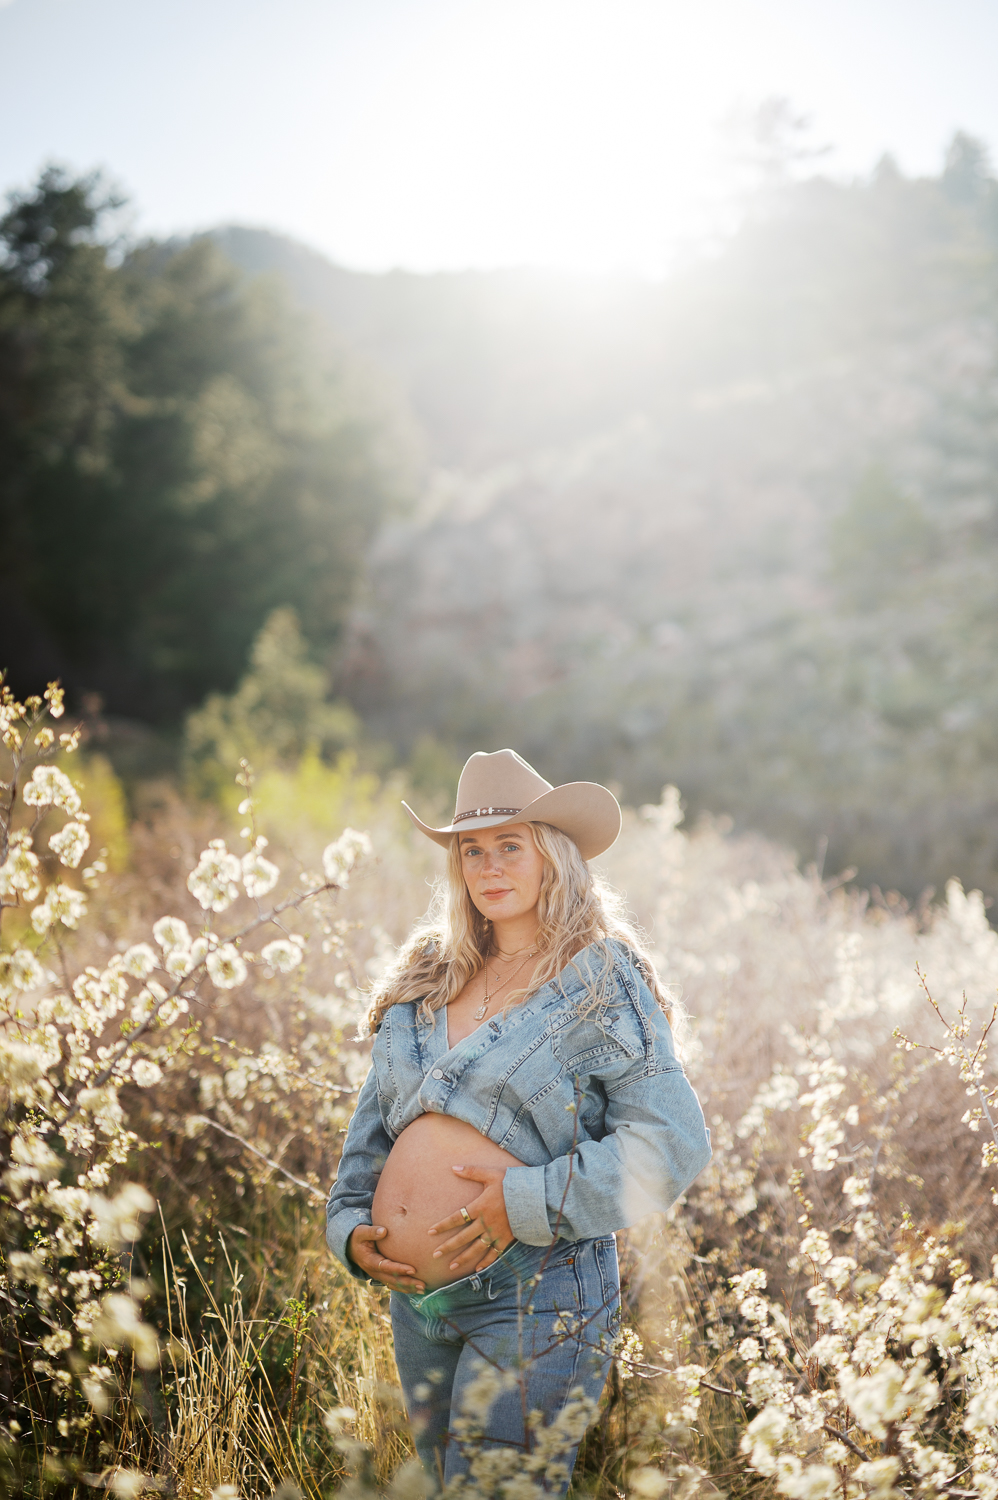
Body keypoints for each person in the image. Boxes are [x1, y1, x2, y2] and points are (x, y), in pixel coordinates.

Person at [326, 749, 711, 1491]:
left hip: (537, 1292)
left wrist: (522, 1200)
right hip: (419, 1306)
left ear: (552, 857)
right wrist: (348, 1228)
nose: (489, 867)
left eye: (510, 845)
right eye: (472, 850)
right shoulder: (427, 974)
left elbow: (673, 1143)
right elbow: (373, 1128)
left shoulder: (598, 979)